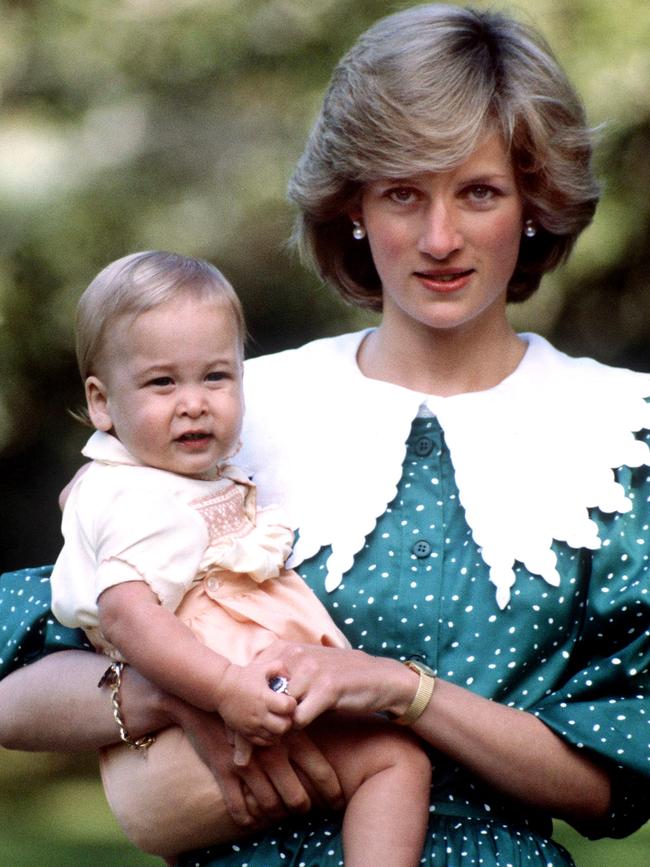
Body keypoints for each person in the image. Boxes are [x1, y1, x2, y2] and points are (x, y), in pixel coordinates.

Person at [1, 4, 649, 866]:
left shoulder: (620, 435)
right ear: (353, 208)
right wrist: (176, 692)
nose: (441, 238)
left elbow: (617, 782)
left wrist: (403, 694)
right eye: (402, 193)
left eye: (480, 191)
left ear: (534, 203)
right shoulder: (228, 413)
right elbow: (19, 693)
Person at [46, 249, 431, 865]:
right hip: (191, 739)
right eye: (162, 382)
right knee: (396, 763)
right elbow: (126, 616)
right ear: (102, 403)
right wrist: (226, 689)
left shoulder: (170, 481)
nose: (194, 402)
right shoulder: (132, 497)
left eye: (216, 377)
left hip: (206, 737)